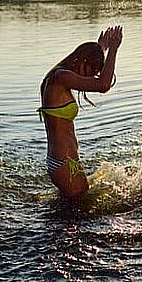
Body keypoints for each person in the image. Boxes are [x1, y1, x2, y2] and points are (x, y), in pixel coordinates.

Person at [38, 26, 123, 199]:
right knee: (78, 215)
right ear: (83, 61)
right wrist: (114, 49)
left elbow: (97, 79)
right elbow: (103, 85)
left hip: (66, 161)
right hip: (63, 163)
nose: (91, 76)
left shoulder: (58, 77)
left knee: (73, 210)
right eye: (92, 70)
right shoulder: (60, 77)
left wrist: (101, 48)